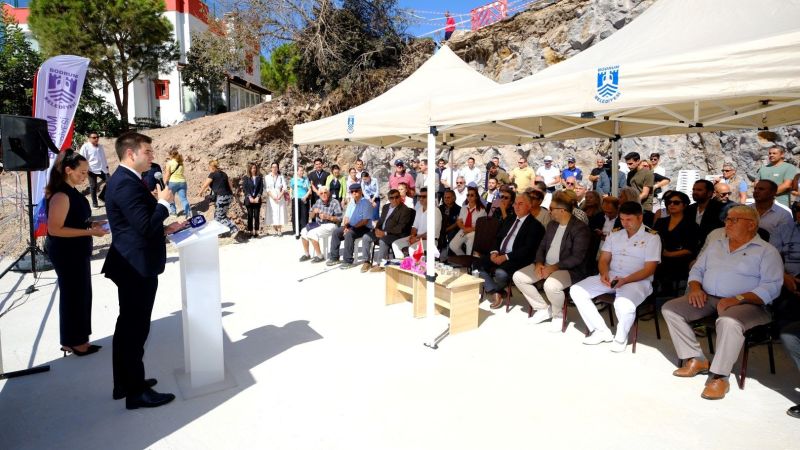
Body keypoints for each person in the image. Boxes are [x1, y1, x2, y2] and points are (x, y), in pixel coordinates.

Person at [662, 206, 782, 400]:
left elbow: (772, 287)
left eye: (735, 220)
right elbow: (697, 270)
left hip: (750, 305)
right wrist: (695, 288)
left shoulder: (767, 252)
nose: (727, 223)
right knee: (671, 309)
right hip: (708, 297)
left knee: (728, 322)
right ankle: (695, 358)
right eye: (727, 219)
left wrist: (738, 299)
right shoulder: (717, 244)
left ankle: (719, 376)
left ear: (751, 225)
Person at [102, 132, 184, 409]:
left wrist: (165, 227)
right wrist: (163, 202)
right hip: (134, 266)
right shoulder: (125, 184)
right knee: (135, 330)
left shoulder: (128, 180)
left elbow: (136, 225)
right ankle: (135, 392)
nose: (152, 156)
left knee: (128, 327)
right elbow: (143, 226)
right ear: (130, 154)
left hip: (132, 261)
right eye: (148, 152)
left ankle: (125, 383)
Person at [570, 201, 661, 352]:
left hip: (637, 281)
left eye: (629, 219)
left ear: (640, 217)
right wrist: (604, 273)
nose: (625, 223)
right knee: (577, 290)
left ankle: (620, 338)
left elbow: (649, 269)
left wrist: (625, 280)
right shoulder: (615, 233)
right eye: (622, 219)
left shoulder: (652, 237)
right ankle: (601, 331)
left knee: (623, 304)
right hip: (612, 277)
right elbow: (604, 259)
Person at [45, 150, 109, 357]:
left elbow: (73, 219)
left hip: (75, 250)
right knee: (75, 295)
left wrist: (92, 223)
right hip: (66, 252)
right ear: (68, 170)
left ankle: (74, 340)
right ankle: (75, 342)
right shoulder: (62, 195)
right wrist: (90, 231)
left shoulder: (69, 191)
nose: (85, 176)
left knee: (79, 294)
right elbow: (55, 229)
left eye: (86, 172)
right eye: (81, 172)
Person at [513, 192, 591, 329]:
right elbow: (542, 247)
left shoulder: (580, 228)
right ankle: (542, 308)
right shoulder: (552, 225)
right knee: (518, 277)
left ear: (562, 210)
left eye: (551, 208)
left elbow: (577, 258)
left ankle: (558, 315)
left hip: (569, 269)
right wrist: (539, 263)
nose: (549, 211)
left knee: (550, 285)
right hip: (546, 265)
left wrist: (553, 268)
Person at [478, 191, 545, 309]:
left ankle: (496, 291)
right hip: (499, 254)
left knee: (500, 273)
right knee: (476, 266)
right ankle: (496, 292)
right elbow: (497, 237)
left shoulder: (535, 226)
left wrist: (505, 257)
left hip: (517, 259)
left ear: (529, 206)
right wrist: (494, 252)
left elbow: (527, 249)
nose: (516, 206)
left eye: (521, 204)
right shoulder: (509, 219)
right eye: (515, 204)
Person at [652, 191, 701, 292]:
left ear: (684, 205)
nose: (671, 204)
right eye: (669, 202)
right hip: (658, 258)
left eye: (676, 202)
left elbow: (691, 249)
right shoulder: (661, 222)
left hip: (680, 260)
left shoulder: (691, 225)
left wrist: (669, 254)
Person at [361, 189, 415, 272]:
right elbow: (381, 220)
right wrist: (376, 230)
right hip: (382, 231)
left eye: (397, 197)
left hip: (396, 234)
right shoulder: (386, 207)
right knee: (365, 237)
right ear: (389, 199)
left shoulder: (405, 210)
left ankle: (381, 264)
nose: (394, 199)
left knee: (383, 240)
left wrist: (385, 233)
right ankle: (366, 261)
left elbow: (401, 227)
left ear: (400, 197)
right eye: (392, 198)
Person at [327, 184, 373, 269]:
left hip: (364, 227)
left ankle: (348, 261)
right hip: (351, 226)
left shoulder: (366, 203)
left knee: (349, 234)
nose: (354, 193)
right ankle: (334, 257)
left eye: (356, 191)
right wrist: (346, 227)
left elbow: (364, 221)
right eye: (352, 192)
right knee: (336, 232)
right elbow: (347, 217)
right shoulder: (351, 203)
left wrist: (350, 228)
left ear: (361, 191)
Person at [393, 187, 442, 259]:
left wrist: (417, 238)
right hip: (418, 238)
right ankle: (403, 265)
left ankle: (417, 268)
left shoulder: (435, 211)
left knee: (412, 249)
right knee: (395, 244)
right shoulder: (419, 210)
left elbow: (432, 233)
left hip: (430, 241)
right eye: (420, 196)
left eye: (424, 196)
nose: (421, 199)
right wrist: (412, 236)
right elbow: (414, 227)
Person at [299, 186, 343, 262]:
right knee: (303, 231)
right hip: (318, 224)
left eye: (325, 192)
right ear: (319, 194)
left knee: (312, 233)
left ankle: (320, 256)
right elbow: (310, 216)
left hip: (331, 225)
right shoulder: (318, 202)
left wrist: (328, 217)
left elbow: (340, 218)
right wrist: (313, 212)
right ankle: (307, 254)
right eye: (321, 193)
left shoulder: (334, 202)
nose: (323, 195)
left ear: (329, 193)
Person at [197, 160, 239, 236]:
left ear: (212, 167)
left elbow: (206, 184)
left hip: (222, 197)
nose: (208, 168)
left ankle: (233, 228)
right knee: (218, 215)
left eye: (209, 167)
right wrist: (233, 194)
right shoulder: (224, 174)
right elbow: (230, 185)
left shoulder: (212, 174)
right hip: (229, 196)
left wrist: (200, 192)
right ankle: (220, 232)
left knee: (220, 216)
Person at [751, 179, 792, 247]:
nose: (756, 191)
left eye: (761, 189)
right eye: (755, 188)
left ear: (773, 192)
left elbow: (787, 241)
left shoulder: (784, 214)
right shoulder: (744, 210)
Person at [449, 187, 486, 256]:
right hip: (464, 229)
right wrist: (464, 228)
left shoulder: (482, 210)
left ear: (476, 197)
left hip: (474, 232)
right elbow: (459, 221)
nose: (469, 197)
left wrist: (469, 229)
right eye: (468, 195)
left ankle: (468, 262)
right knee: (453, 245)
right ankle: (464, 258)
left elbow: (481, 225)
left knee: (469, 250)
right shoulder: (463, 208)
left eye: (472, 195)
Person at [78, 132, 109, 208]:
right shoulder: (85, 147)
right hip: (91, 170)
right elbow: (81, 158)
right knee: (93, 186)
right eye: (94, 137)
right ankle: (95, 204)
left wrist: (106, 166)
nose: (96, 139)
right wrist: (85, 169)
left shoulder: (100, 147)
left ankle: (101, 197)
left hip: (102, 169)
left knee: (110, 182)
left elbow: (103, 157)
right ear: (89, 138)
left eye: (97, 137)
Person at [262, 162, 287, 235]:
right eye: (273, 167)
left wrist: (280, 196)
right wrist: (273, 197)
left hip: (280, 196)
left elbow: (284, 187)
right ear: (271, 168)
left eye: (276, 167)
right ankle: (275, 228)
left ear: (278, 168)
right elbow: (266, 188)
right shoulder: (267, 177)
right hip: (271, 197)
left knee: (280, 212)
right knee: (272, 213)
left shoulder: (281, 177)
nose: (274, 168)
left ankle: (279, 229)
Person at [164, 149, 190, 217]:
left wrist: (165, 182)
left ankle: (174, 212)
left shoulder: (169, 163)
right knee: (183, 199)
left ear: (170, 155)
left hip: (172, 182)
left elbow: (167, 174)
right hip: (182, 182)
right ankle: (188, 213)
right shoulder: (181, 163)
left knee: (171, 198)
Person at [242, 163, 263, 238]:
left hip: (257, 200)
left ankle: (256, 231)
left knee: (256, 216)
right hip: (249, 200)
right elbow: (245, 188)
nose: (253, 169)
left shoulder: (259, 178)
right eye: (252, 168)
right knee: (250, 216)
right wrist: (250, 197)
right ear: (249, 169)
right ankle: (250, 231)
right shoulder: (246, 178)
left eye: (254, 168)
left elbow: (261, 188)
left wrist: (258, 197)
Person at [289, 166, 311, 237]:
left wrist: (305, 196)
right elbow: (291, 188)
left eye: (302, 170)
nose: (302, 172)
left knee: (304, 215)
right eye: (300, 170)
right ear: (297, 171)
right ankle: (296, 231)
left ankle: (303, 230)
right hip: (296, 199)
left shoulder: (306, 179)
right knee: (296, 214)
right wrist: (291, 196)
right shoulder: (293, 180)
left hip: (304, 198)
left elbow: (309, 190)